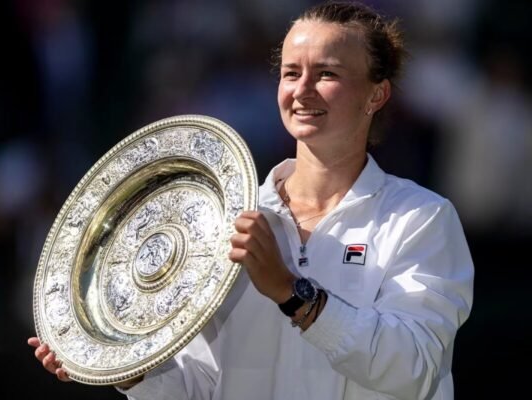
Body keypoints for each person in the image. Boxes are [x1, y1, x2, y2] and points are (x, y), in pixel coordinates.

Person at [29, 1, 474, 399]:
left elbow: (414, 370)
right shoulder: (227, 219)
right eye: (291, 72)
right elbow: (198, 388)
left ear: (376, 94)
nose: (302, 90)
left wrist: (292, 294)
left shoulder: (422, 219)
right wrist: (125, 372)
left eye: (328, 74)